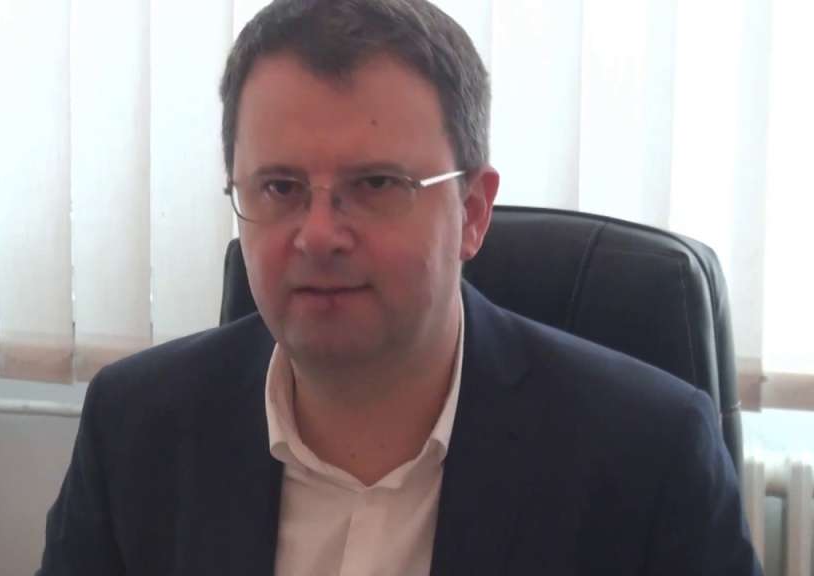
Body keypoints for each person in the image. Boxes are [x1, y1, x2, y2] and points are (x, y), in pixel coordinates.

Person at [38, 0, 762, 574]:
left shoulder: (649, 456)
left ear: (472, 212)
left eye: (377, 184)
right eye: (280, 186)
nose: (318, 234)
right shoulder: (135, 429)